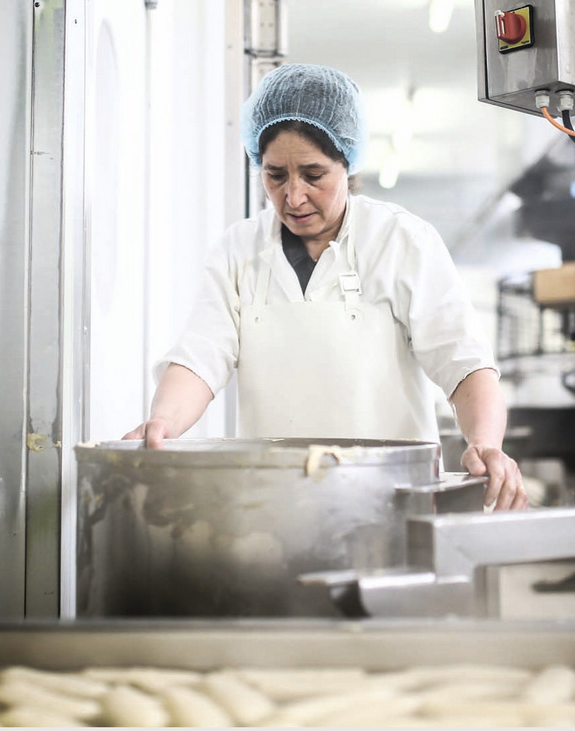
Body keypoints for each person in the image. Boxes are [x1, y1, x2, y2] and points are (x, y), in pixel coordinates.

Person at [126, 63, 527, 511]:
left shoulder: (401, 241)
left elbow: (464, 364)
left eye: (313, 175)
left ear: (348, 165)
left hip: (392, 500)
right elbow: (201, 356)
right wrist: (162, 423)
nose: (293, 197)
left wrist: (487, 443)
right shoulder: (239, 250)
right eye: (276, 175)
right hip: (271, 504)